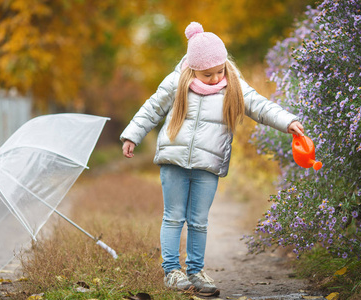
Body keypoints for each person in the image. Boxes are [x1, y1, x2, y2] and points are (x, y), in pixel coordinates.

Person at [120, 22, 304, 296]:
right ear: (193, 68)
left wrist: (288, 121)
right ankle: (172, 271)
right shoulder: (176, 82)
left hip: (208, 166)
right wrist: (132, 135)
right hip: (174, 160)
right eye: (208, 74)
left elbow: (260, 105)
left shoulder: (233, 84)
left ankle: (196, 271)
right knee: (173, 217)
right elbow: (151, 108)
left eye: (220, 70)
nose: (216, 78)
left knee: (198, 220)